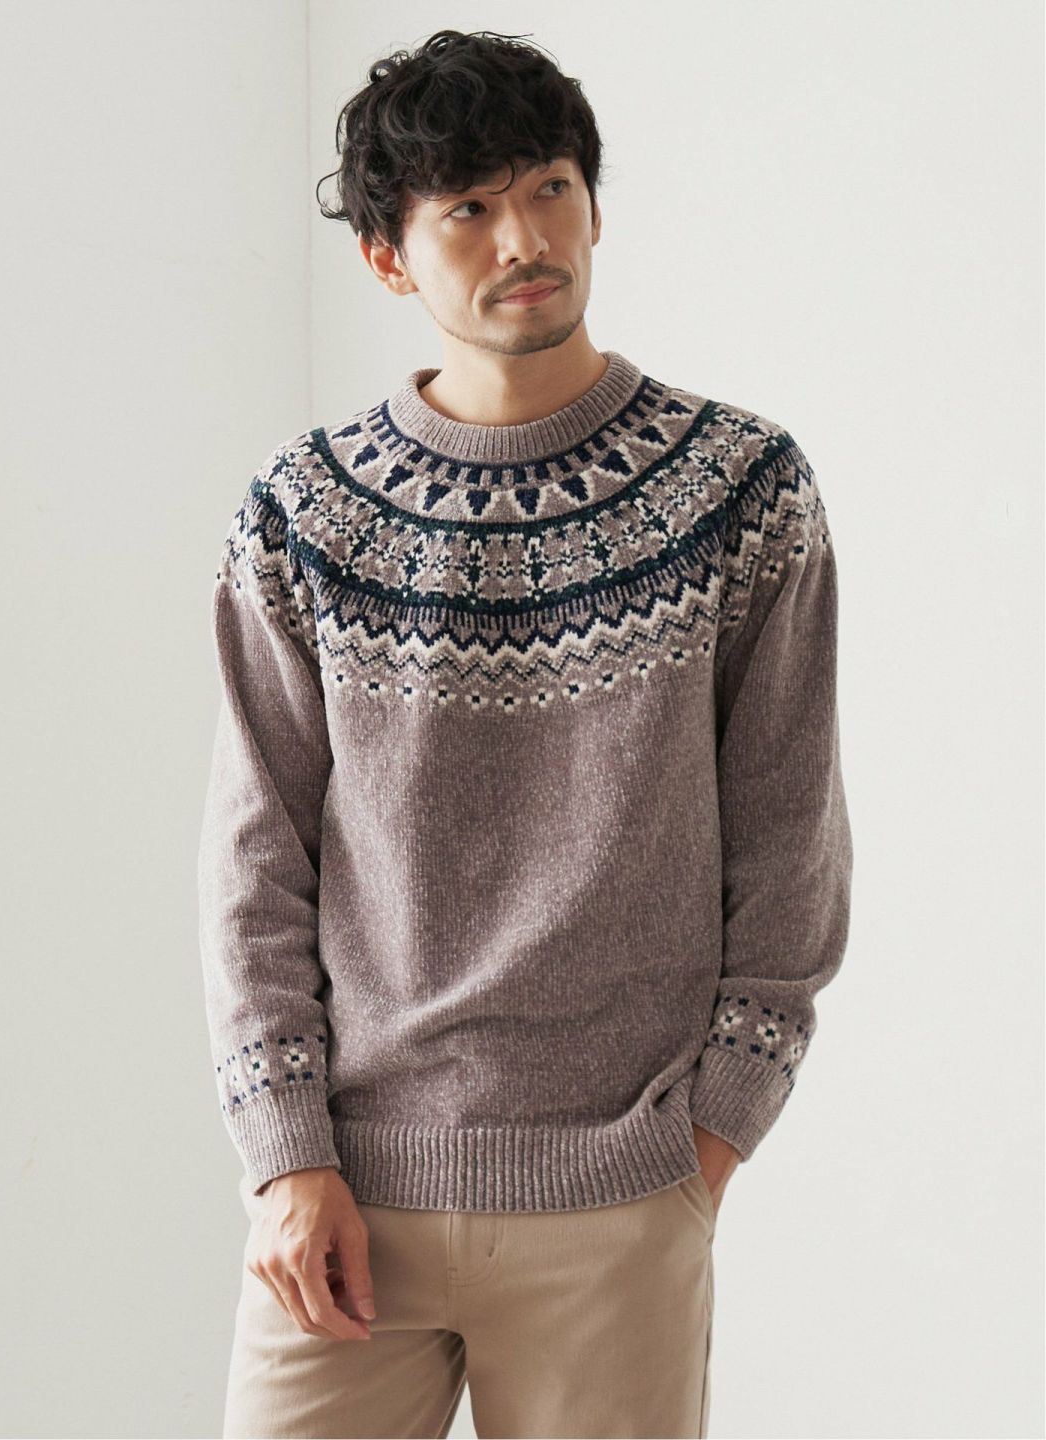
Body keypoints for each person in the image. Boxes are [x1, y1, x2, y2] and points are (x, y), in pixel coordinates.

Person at [196, 27, 853, 1440]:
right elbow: (255, 860)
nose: (524, 239)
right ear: (390, 258)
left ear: (595, 208)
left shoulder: (741, 491)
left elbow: (791, 839)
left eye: (552, 188)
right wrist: (284, 1157)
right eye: (470, 209)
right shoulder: (303, 513)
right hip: (344, 1198)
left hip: (623, 1190)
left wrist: (706, 1145)